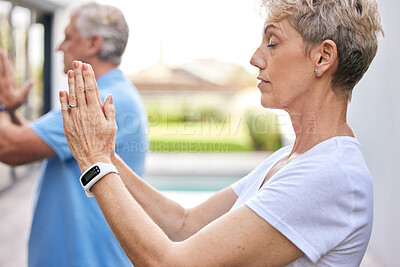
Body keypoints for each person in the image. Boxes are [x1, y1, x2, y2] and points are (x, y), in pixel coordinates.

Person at [59, 0, 383, 266]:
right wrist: (108, 155)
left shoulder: (329, 175)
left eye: (272, 42)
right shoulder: (290, 159)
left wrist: (96, 163)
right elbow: (184, 225)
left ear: (323, 57)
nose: (256, 58)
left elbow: (170, 263)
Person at [0, 3, 148, 267]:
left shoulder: (100, 101)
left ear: (93, 44)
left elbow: (10, 146)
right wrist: (9, 109)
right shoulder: (111, 93)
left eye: (68, 37)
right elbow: (31, 139)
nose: (59, 46)